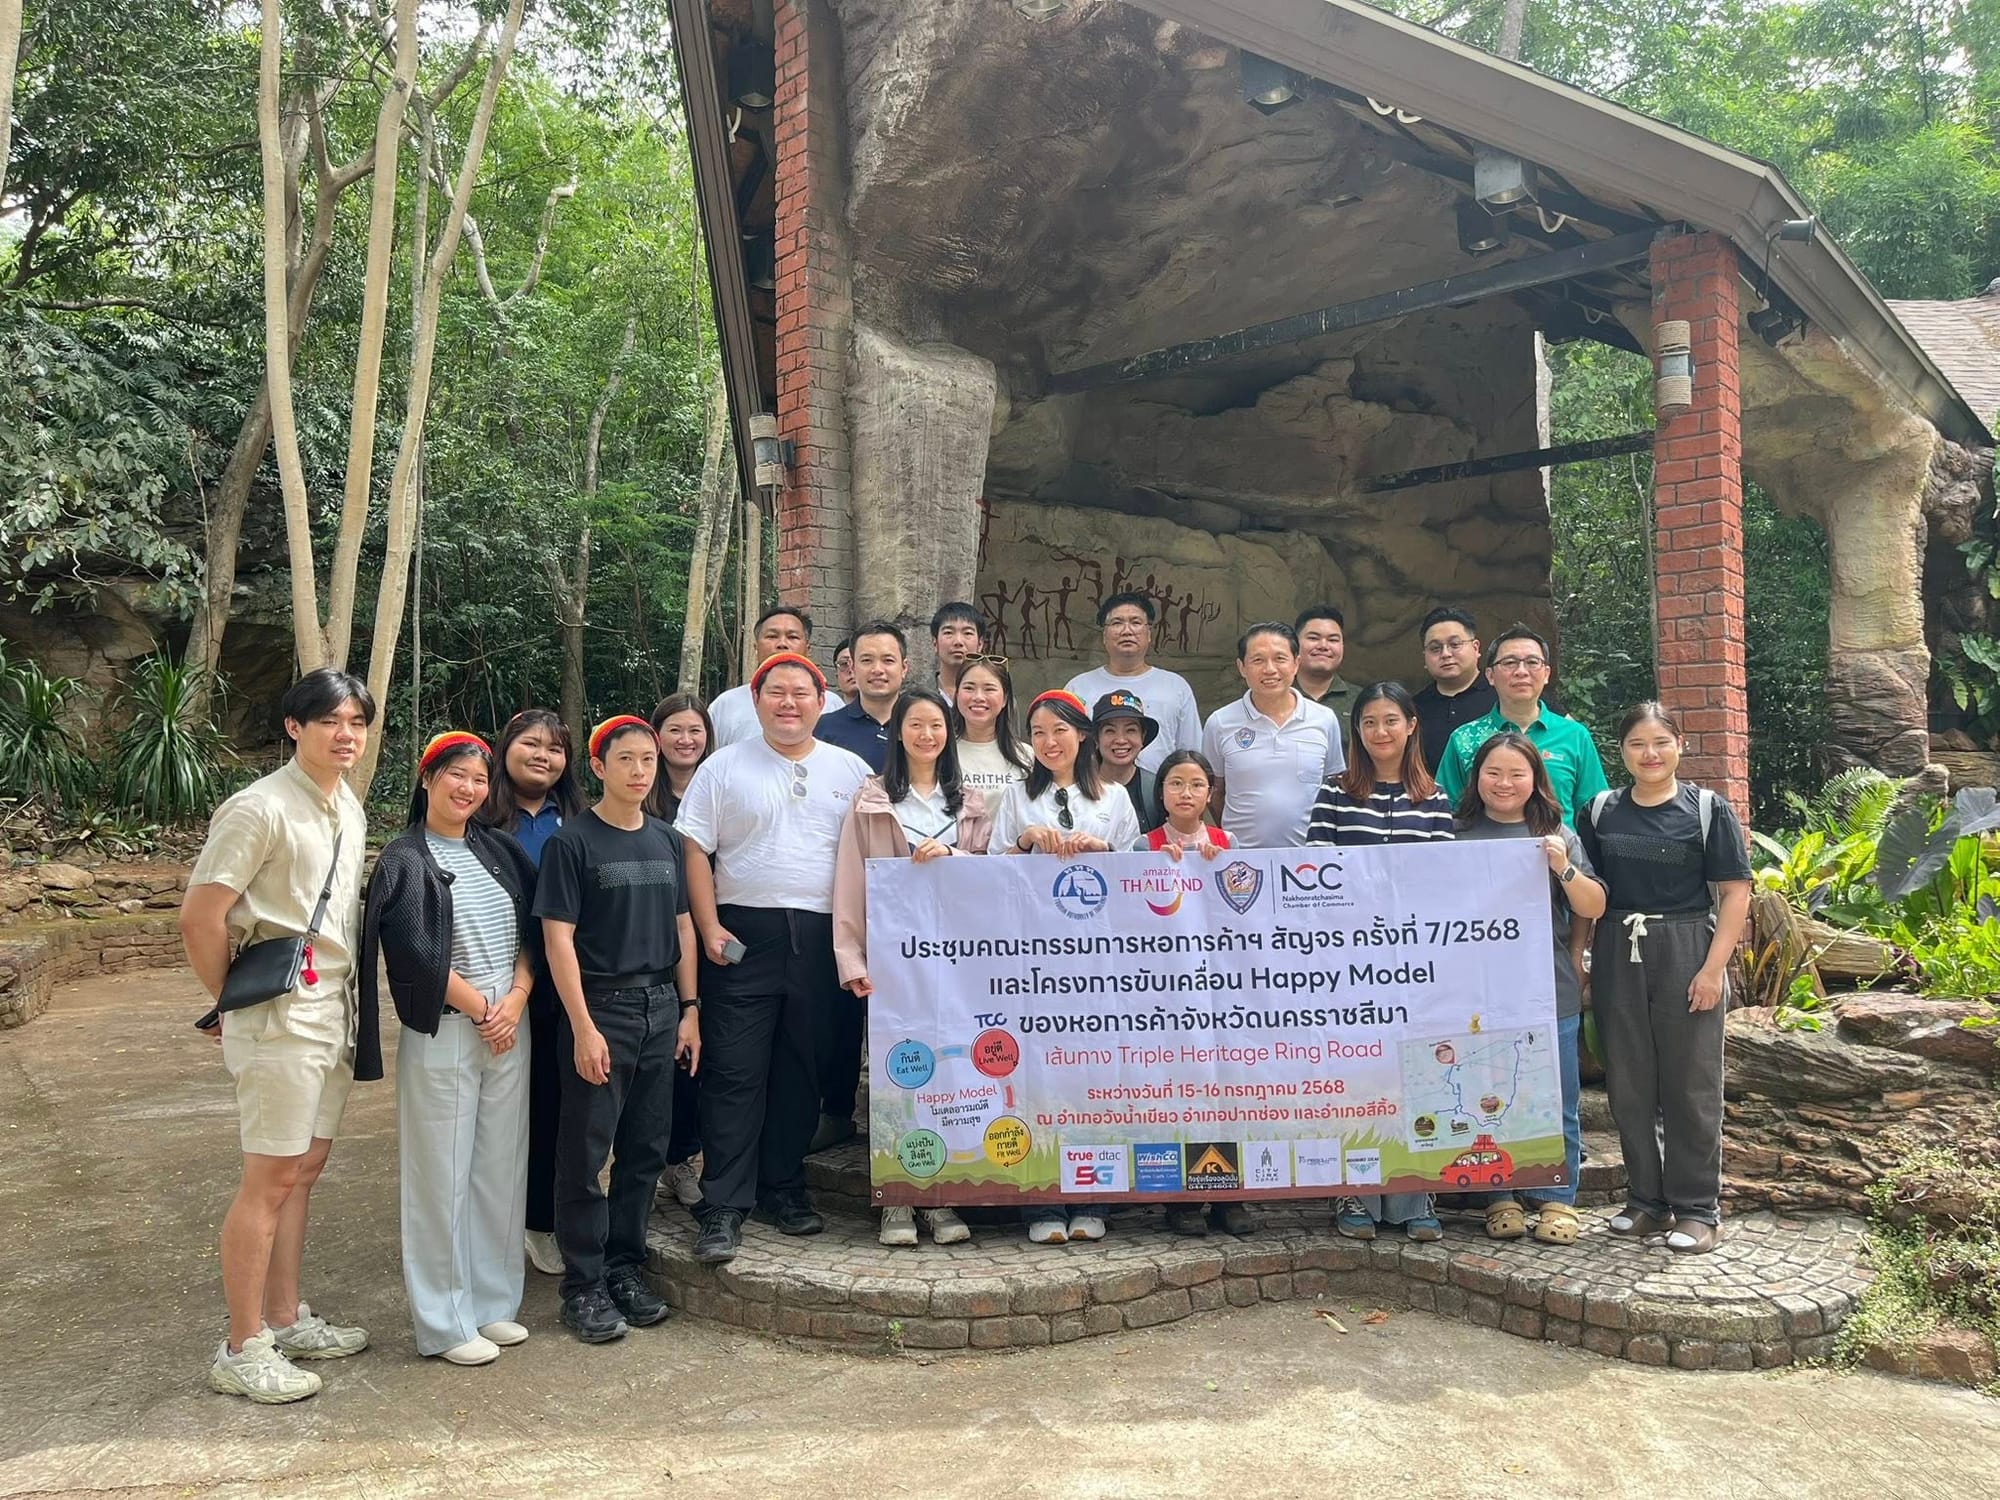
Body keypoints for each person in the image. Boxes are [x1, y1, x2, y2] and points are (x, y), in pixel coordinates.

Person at [181, 668, 376, 1404]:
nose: (346, 735)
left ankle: (286, 1317)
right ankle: (242, 1346)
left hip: (334, 1010)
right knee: (268, 1178)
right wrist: (229, 1002)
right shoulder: (257, 808)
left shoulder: (347, 805)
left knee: (303, 1168)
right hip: (280, 1015)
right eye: (330, 721)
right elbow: (201, 917)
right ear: (295, 727)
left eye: (356, 722)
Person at [675, 653, 872, 1264]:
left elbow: (876, 852)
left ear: (822, 701)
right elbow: (694, 850)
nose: (789, 703)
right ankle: (723, 1204)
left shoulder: (852, 769)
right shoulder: (722, 766)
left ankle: (782, 1188)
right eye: (776, 692)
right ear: (755, 701)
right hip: (742, 934)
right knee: (734, 1072)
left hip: (823, 937)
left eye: (801, 693)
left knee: (800, 1071)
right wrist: (709, 925)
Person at [362, 732, 539, 1366]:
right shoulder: (404, 858)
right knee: (440, 1177)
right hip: (446, 1028)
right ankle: (444, 1321)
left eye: (479, 779)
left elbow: (534, 927)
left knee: (500, 1169)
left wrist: (517, 997)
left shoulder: (499, 849)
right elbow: (413, 951)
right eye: (455, 775)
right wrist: (484, 1010)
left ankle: (492, 1302)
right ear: (427, 777)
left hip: (509, 1021)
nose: (468, 788)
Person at [535, 715, 701, 1343]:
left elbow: (683, 927)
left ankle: (624, 1268)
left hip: (661, 1007)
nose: (639, 771)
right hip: (601, 1009)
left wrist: (690, 1010)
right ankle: (582, 1285)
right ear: (599, 767)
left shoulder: (666, 840)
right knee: (584, 1154)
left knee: (645, 1150)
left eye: (648, 760)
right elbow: (558, 940)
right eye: (625, 759)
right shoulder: (571, 843)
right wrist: (582, 1026)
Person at [1578, 702, 1752, 1254]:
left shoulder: (1706, 810)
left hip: (1687, 946)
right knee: (1628, 1082)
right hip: (1616, 948)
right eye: (1637, 744)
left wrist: (1713, 969)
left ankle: (1698, 1209)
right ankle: (1646, 1202)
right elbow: (1587, 894)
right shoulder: (1599, 811)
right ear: (1622, 751)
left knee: (1690, 1082)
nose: (1649, 754)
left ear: (1680, 745)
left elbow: (1735, 893)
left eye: (1660, 742)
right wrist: (1581, 959)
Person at [832, 687, 992, 1248]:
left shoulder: (969, 803)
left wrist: (956, 856)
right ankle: (898, 1198)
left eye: (937, 725)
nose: (927, 735)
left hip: (957, 965)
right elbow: (850, 881)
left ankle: (942, 1196)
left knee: (952, 1073)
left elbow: (993, 879)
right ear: (897, 732)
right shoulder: (871, 800)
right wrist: (850, 957)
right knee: (896, 1076)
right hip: (893, 963)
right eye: (916, 724)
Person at [991, 689, 1141, 1246]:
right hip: (1035, 958)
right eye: (1038, 733)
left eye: (1059, 730)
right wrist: (1025, 840)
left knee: (1094, 1073)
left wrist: (1104, 851)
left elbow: (1137, 877)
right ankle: (1042, 1202)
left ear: (1082, 735)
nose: (1049, 742)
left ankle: (1092, 1198)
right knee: (1039, 1077)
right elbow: (989, 874)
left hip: (1097, 960)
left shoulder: (1114, 798)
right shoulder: (1016, 797)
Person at [1307, 681, 1453, 1242]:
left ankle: (1417, 1195)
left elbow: (1444, 882)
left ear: (1411, 725)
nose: (1380, 732)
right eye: (1368, 722)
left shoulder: (1434, 798)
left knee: (1419, 1073)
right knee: (1357, 1075)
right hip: (1349, 963)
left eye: (1391, 720)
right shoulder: (1335, 791)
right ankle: (1355, 1191)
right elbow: (1315, 870)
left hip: (1416, 962)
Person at [1450, 731, 1606, 1246]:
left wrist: (1562, 866)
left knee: (1557, 1096)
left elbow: (1593, 905)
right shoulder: (1453, 834)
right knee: (1486, 1095)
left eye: (1517, 773)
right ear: (1476, 777)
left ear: (1535, 780)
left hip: (1547, 984)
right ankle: (1500, 1195)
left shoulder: (1556, 832)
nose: (1504, 783)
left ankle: (1558, 1199)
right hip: (1476, 992)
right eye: (1493, 772)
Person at [480, 709, 586, 1279]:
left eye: (555, 748)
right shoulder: (479, 812)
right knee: (494, 1110)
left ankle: (541, 1220)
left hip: (563, 983)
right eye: (531, 744)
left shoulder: (577, 819)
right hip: (492, 982)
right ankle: (488, 1222)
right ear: (505, 748)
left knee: (553, 1105)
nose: (543, 756)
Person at [646, 693, 715, 1212]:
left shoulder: (721, 786)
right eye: (675, 729)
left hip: (710, 937)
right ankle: (650, 1161)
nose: (685, 740)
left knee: (697, 1049)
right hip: (650, 939)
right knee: (658, 1053)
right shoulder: (639, 792)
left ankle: (684, 1156)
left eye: (695, 730)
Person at [1435, 625, 1608, 826]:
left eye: (1532, 662)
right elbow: (1444, 813)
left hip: (1559, 845)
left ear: (1546, 674)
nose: (1521, 672)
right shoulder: (1464, 738)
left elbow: (1595, 813)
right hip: (1485, 845)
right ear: (1490, 676)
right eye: (1509, 663)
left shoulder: (1574, 735)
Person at [1202, 622, 1344, 849]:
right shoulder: (1219, 723)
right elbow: (1215, 792)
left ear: (1296, 663)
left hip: (1310, 857)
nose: (1270, 669)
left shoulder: (1324, 719)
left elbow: (1333, 789)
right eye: (1258, 660)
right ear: (1241, 667)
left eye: (1280, 658)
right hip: (1242, 859)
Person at [1065, 591, 1201, 774]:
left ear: (1149, 634)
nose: (1127, 631)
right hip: (1093, 789)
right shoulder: (1078, 688)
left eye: (1136, 622)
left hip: (1158, 790)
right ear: (1104, 636)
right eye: (1117, 623)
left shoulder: (1176, 687)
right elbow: (1065, 750)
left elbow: (1191, 753)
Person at [709, 605, 846, 747]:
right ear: (756, 648)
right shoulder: (726, 705)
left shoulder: (832, 704)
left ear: (808, 649)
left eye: (792, 637)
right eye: (772, 636)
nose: (782, 644)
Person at [816, 620, 909, 772]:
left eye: (888, 660)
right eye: (867, 660)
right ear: (852, 668)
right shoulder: (825, 728)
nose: (877, 669)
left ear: (904, 668)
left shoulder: (922, 727)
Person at [1411, 608, 1495, 775]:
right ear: (1425, 657)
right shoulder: (1414, 707)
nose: (1446, 654)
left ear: (1476, 648)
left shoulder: (1502, 696)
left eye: (1455, 644)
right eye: (1435, 648)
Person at [951, 654, 1028, 799]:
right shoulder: (941, 752)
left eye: (989, 689)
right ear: (957, 694)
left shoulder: (1026, 756)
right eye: (969, 688)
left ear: (1005, 698)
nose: (978, 697)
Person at [1093, 689, 1162, 835]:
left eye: (1130, 730)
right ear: (1096, 739)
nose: (1120, 740)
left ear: (1142, 737)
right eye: (1110, 731)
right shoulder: (1077, 787)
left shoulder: (1157, 790)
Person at [1139, 751, 1231, 857]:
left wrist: (1220, 861)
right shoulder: (1144, 845)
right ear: (1161, 791)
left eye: (1197, 785)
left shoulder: (1227, 841)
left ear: (1209, 793)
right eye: (1176, 783)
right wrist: (1157, 862)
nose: (1186, 794)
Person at [1294, 604, 1356, 721]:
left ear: (1342, 646)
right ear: (1295, 644)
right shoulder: (1275, 694)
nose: (1323, 646)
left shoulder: (1361, 700)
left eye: (1333, 640)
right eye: (1313, 638)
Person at [931, 601, 987, 699]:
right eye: (948, 633)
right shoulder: (917, 698)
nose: (958, 641)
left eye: (967, 633)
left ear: (980, 644)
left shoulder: (994, 698)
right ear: (935, 643)